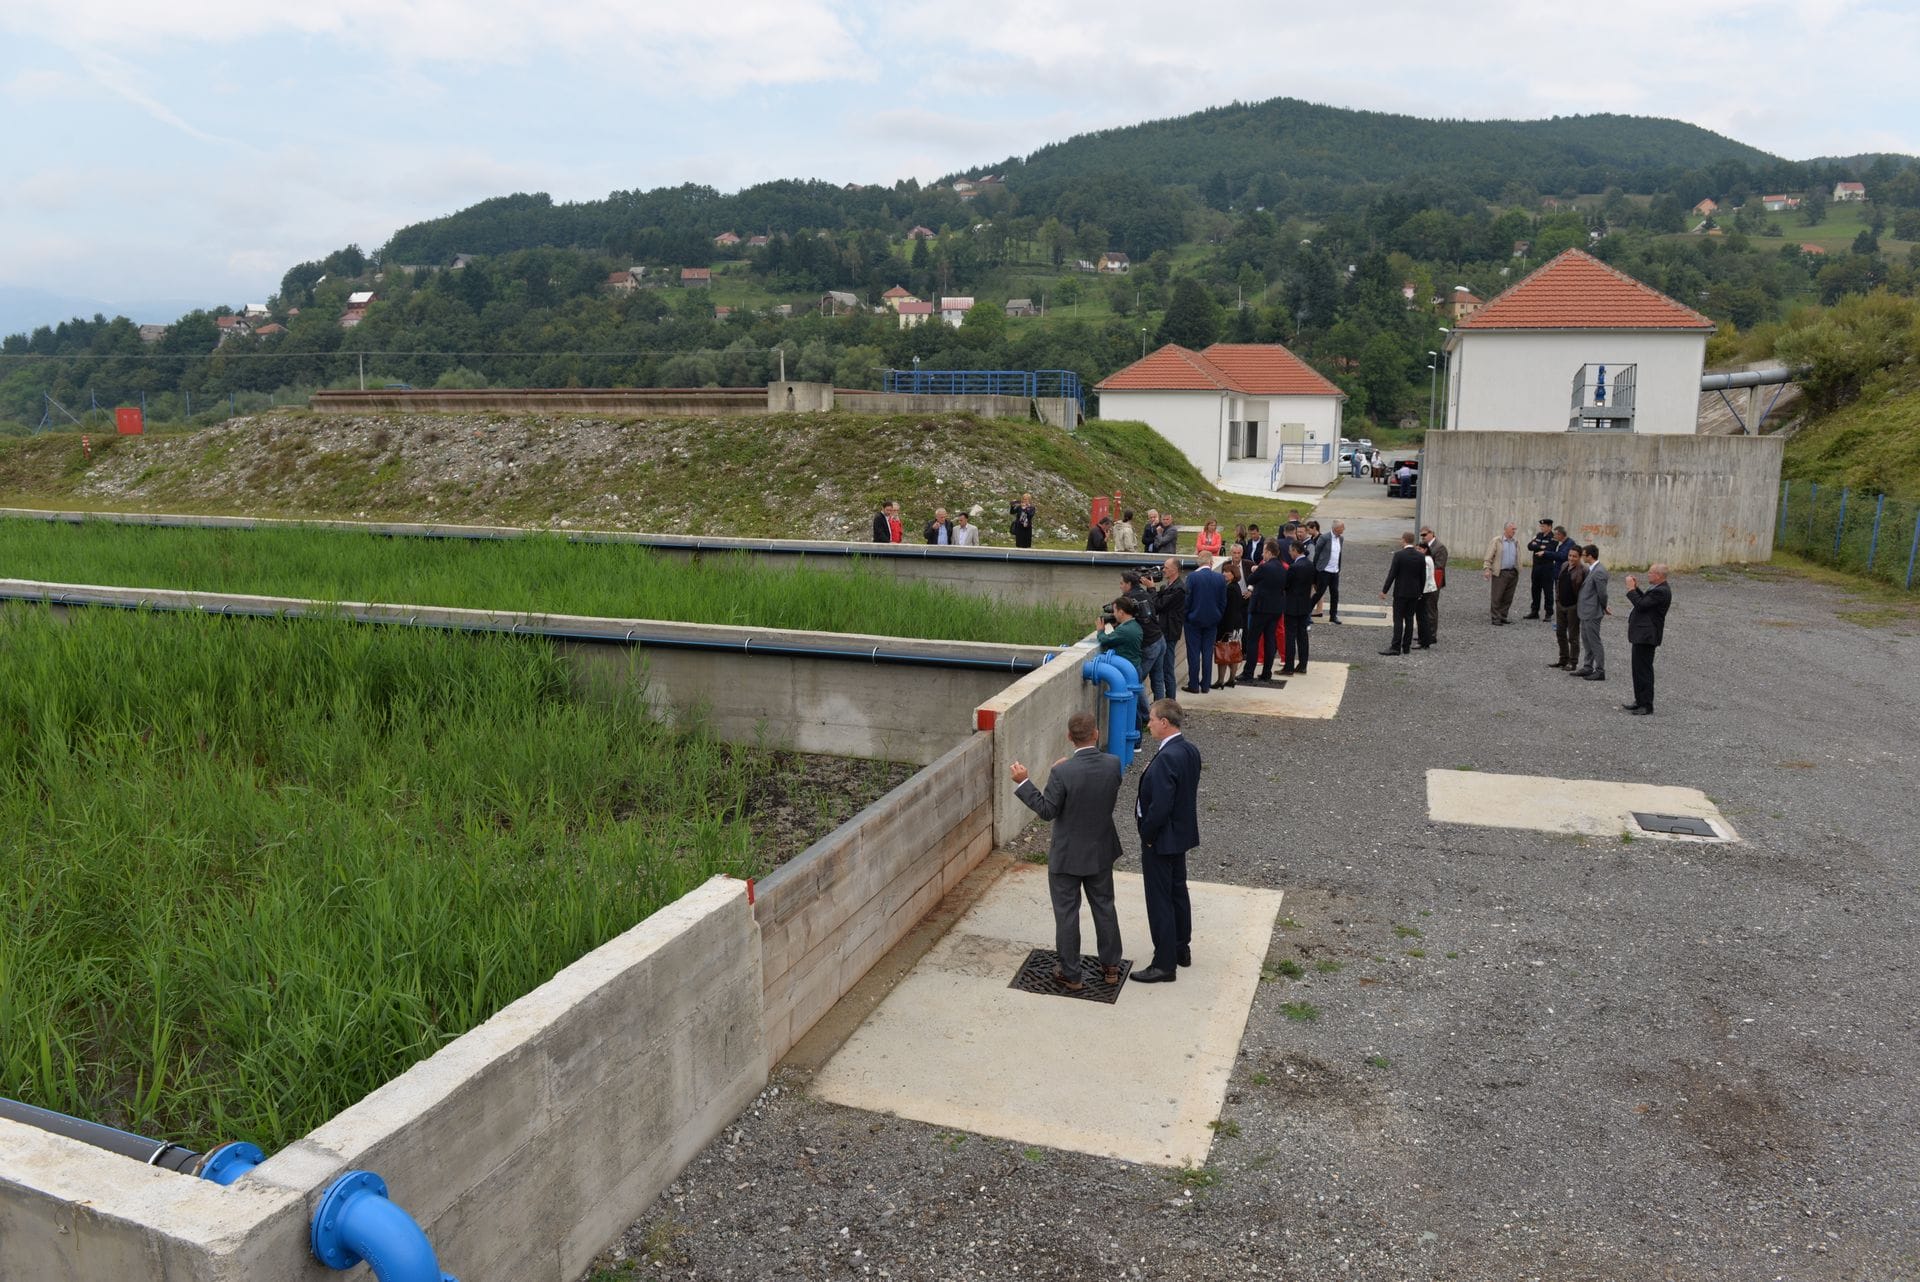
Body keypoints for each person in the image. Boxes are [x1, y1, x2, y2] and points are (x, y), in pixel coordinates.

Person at [1009, 711, 1124, 989]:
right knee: (1105, 907)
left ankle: (1071, 975)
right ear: (1096, 734)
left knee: (1067, 914)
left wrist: (1024, 782)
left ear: (1069, 737)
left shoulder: (1062, 772)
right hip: (1100, 851)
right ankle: (1110, 967)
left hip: (1067, 856)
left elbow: (1048, 811)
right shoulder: (1113, 763)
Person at [1131, 698, 1200, 984]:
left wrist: (1147, 835)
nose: (1148, 724)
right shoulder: (1189, 750)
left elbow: (1160, 806)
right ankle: (1181, 948)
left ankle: (1163, 964)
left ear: (1164, 722)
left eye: (1151, 720)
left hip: (1161, 840)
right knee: (1177, 893)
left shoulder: (1167, 757)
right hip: (1180, 836)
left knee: (1160, 900)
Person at [1622, 565, 1672, 715]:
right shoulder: (1656, 588)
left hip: (1647, 636)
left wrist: (1631, 590)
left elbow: (1642, 605)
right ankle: (1639, 700)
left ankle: (1646, 705)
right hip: (1642, 635)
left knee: (1644, 671)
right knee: (1637, 670)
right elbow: (1645, 600)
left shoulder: (1662, 591)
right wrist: (1636, 589)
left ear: (1659, 575)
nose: (1648, 575)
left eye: (1650, 573)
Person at [1240, 544, 1286, 683]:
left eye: (1264, 552)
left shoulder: (1265, 567)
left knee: (1253, 640)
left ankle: (1249, 672)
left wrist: (1255, 569)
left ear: (1269, 552)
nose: (1262, 555)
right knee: (1270, 640)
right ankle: (1267, 672)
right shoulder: (1282, 567)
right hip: (1276, 608)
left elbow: (1250, 580)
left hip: (1261, 608)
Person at [1182, 555, 1227, 694]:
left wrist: (1187, 615)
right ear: (1211, 562)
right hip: (1212, 620)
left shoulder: (1192, 577)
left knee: (1193, 653)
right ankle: (1206, 685)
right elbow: (1223, 601)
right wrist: (1218, 615)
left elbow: (1187, 600)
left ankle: (1194, 684)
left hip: (1193, 620)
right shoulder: (1220, 578)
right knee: (1207, 653)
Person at [1121, 570, 1166, 705]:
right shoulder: (1144, 593)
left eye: (1122, 583)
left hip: (1149, 645)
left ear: (1129, 584)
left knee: (1135, 680)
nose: (1120, 586)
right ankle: (1161, 712)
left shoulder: (1129, 599)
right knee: (1158, 679)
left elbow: (1123, 616)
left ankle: (1147, 717)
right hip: (1160, 639)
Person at [1379, 531, 1426, 656]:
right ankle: (1406, 647)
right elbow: (1423, 577)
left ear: (1404, 540)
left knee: (1398, 619)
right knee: (1410, 619)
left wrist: (1385, 590)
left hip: (1401, 592)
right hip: (1414, 593)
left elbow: (1392, 574)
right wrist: (1420, 591)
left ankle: (1395, 646)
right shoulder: (1421, 556)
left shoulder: (1399, 555)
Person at [1573, 544, 1609, 681]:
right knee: (1587, 641)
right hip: (1585, 611)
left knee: (1594, 641)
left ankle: (1600, 670)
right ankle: (1588, 666)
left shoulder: (1599, 571)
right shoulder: (1592, 569)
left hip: (1592, 612)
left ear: (1590, 556)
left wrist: (1604, 606)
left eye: (1583, 555)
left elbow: (1602, 593)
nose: (1582, 557)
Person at [1154, 558, 1187, 700]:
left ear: (1174, 570)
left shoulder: (1179, 588)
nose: (1163, 570)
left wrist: (1150, 588)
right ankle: (1164, 701)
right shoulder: (1169, 585)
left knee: (1167, 669)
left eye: (1166, 568)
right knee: (1162, 669)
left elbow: (1160, 605)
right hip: (1165, 630)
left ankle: (1171, 701)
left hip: (1169, 632)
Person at [1280, 541, 1315, 674]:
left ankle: (1288, 666)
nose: (1289, 553)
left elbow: (1286, 584)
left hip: (1292, 606)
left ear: (1295, 550)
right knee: (1303, 637)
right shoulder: (1310, 565)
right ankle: (1303, 664)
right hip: (1304, 606)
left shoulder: (1294, 567)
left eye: (1290, 551)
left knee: (1290, 637)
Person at [1552, 541, 1586, 671]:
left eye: (1574, 556)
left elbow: (1584, 590)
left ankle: (1573, 662)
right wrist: (1557, 599)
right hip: (1561, 605)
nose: (1571, 558)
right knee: (1560, 633)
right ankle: (1563, 659)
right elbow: (1559, 582)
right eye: (1570, 555)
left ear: (1580, 557)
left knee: (1573, 636)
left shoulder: (1583, 570)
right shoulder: (1565, 565)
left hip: (1573, 607)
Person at [1216, 559, 1248, 689]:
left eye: (1227, 572)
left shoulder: (1229, 589)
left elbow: (1228, 611)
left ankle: (1220, 680)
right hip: (1237, 625)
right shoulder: (1236, 587)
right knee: (1234, 652)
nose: (1224, 574)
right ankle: (1231, 679)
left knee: (1223, 654)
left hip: (1228, 626)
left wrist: (1225, 630)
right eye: (1224, 571)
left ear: (1233, 574)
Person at [1483, 521, 1521, 624]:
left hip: (1513, 572)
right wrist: (1487, 568)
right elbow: (1489, 556)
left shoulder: (1515, 542)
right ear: (1506, 529)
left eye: (1515, 529)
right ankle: (1495, 618)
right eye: (1513, 529)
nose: (1514, 531)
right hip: (1501, 573)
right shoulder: (1497, 541)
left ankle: (1503, 616)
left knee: (1508, 596)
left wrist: (1518, 569)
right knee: (1497, 596)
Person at [1525, 518, 1558, 619]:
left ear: (1549, 527)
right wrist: (1541, 546)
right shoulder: (1539, 535)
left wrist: (1538, 546)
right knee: (1535, 589)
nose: (1541, 528)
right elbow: (1530, 546)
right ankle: (1534, 611)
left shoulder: (1554, 537)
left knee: (1548, 590)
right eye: (1541, 526)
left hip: (1547, 568)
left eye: (1543, 526)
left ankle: (1549, 612)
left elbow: (1550, 549)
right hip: (1536, 567)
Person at [1312, 520, 1344, 623]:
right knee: (1319, 592)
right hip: (1324, 570)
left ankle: (1333, 615)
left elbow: (1339, 554)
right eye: (1342, 528)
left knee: (1335, 593)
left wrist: (1338, 568)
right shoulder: (1324, 538)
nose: (1343, 530)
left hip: (1334, 571)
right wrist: (1316, 568)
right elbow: (1317, 553)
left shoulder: (1341, 539)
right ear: (1336, 528)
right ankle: (1306, 611)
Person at [1420, 524, 1447, 643]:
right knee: (1424, 608)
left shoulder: (1440, 548)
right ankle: (1425, 633)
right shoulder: (1425, 547)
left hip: (1434, 582)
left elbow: (1439, 567)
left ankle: (1431, 635)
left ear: (1432, 533)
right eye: (1421, 535)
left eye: (1425, 535)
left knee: (1431, 608)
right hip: (1425, 582)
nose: (1423, 537)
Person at [1415, 535, 1439, 649]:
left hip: (1425, 590)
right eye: (1417, 549)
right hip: (1427, 589)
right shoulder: (1428, 559)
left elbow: (1424, 577)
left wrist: (1419, 592)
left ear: (1425, 549)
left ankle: (1424, 640)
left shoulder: (1425, 560)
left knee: (1422, 615)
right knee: (1423, 615)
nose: (1418, 551)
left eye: (1420, 549)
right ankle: (1425, 637)